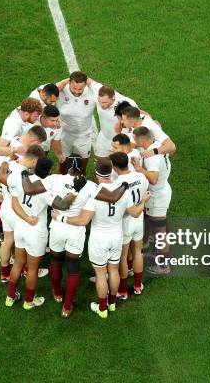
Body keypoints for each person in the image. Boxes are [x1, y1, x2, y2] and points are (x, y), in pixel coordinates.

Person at [20, 155, 128, 317]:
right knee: (73, 269)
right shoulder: (90, 186)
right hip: (76, 231)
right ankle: (67, 306)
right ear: (82, 169)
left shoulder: (54, 179)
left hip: (57, 228)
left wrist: (23, 175)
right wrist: (124, 187)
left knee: (56, 263)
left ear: (66, 167)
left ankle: (57, 293)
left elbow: (29, 188)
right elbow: (112, 197)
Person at [52, 159, 148, 319]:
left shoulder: (95, 194)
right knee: (113, 270)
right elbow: (134, 213)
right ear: (111, 172)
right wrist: (144, 200)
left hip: (99, 240)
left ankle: (102, 308)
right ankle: (112, 303)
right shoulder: (123, 192)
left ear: (96, 174)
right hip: (117, 236)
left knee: (101, 273)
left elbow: (83, 221)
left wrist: (61, 218)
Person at [5, 158, 76, 310]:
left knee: (18, 263)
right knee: (32, 269)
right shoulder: (44, 189)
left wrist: (25, 218)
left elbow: (14, 202)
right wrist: (74, 192)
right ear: (49, 172)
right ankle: (28, 301)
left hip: (21, 227)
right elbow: (62, 205)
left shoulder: (22, 180)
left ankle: (10, 297)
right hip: (36, 232)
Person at [0, 98, 43, 241]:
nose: (37, 118)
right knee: (3, 197)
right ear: (26, 114)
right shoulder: (13, 125)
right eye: (35, 116)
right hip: (3, 163)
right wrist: (15, 149)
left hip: (10, 160)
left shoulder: (22, 112)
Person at [0, 145, 45, 283]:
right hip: (17, 211)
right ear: (34, 161)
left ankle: (4, 274)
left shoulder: (9, 164)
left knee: (7, 241)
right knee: (23, 244)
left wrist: (6, 161)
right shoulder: (25, 175)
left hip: (4, 207)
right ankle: (25, 270)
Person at [131, 127, 173, 275]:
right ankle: (156, 255)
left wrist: (139, 169)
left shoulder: (151, 157)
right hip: (162, 190)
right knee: (154, 229)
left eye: (136, 140)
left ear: (142, 140)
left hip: (157, 197)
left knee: (160, 232)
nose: (135, 142)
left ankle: (163, 266)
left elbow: (153, 179)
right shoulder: (157, 146)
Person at [109, 152, 150, 298]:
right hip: (138, 221)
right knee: (138, 252)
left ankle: (123, 290)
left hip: (125, 222)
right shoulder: (140, 176)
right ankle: (138, 286)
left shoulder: (117, 184)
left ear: (114, 167)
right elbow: (145, 193)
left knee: (123, 257)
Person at [56, 71, 97, 175]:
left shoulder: (92, 92)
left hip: (83, 135)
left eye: (80, 89)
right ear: (69, 82)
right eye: (74, 88)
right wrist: (64, 81)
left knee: (82, 167)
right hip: (64, 134)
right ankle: (61, 183)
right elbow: (49, 90)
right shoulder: (61, 90)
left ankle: (81, 183)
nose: (77, 92)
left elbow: (110, 96)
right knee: (63, 164)